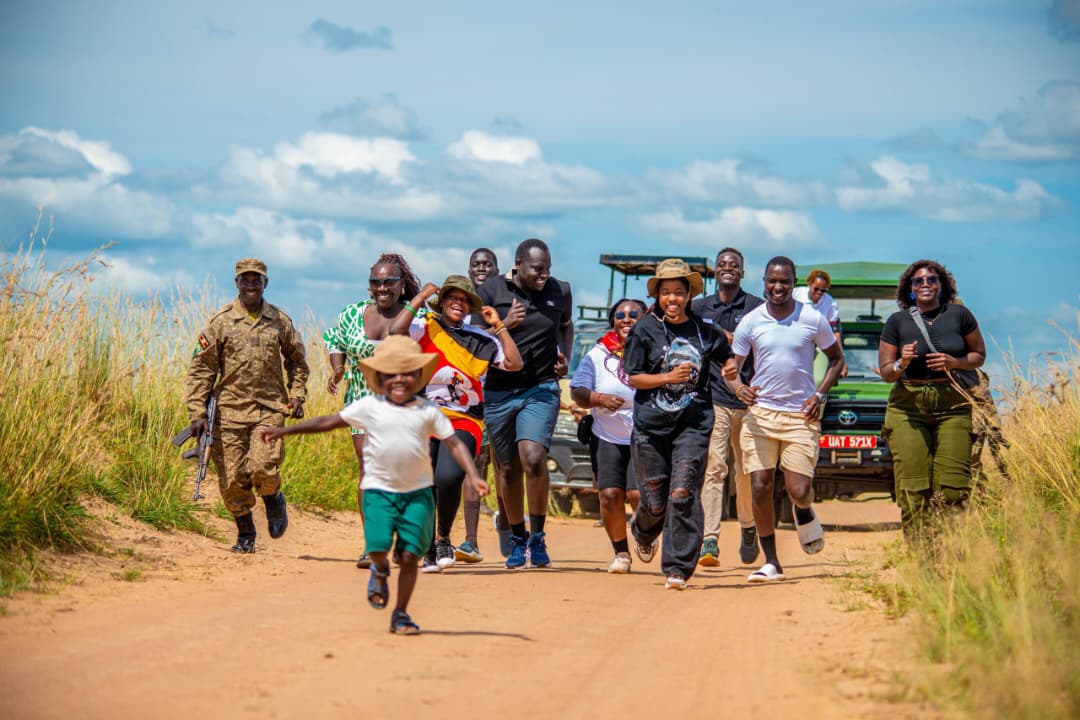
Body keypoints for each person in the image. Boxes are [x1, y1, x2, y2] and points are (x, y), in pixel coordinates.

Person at [261, 336, 488, 635]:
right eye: (391, 373)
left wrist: (472, 474)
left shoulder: (427, 410)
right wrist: (284, 431)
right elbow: (328, 422)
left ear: (419, 377)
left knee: (409, 556)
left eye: (407, 372)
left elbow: (454, 444)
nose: (399, 379)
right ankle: (379, 570)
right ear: (380, 377)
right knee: (378, 548)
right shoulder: (370, 406)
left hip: (417, 496)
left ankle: (401, 613)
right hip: (379, 493)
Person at [390, 275, 522, 572]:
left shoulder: (481, 339)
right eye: (452, 298)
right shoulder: (424, 327)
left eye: (464, 300)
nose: (458, 304)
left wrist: (499, 326)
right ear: (443, 302)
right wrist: (420, 297)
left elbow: (515, 363)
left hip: (464, 420)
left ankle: (443, 537)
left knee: (449, 477)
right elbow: (394, 331)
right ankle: (426, 546)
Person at [727, 256, 844, 583]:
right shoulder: (750, 322)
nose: (778, 288)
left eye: (785, 282)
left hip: (799, 416)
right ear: (763, 282)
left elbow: (836, 360)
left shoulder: (811, 318)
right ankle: (772, 562)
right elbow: (731, 369)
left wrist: (819, 395)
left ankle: (803, 509)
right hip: (760, 416)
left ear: (795, 284)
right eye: (772, 281)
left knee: (798, 489)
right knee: (760, 487)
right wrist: (738, 389)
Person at [184, 258, 309, 554]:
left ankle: (273, 498)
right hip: (228, 413)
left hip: (269, 409)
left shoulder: (280, 321)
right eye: (245, 279)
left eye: (257, 279)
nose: (251, 284)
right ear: (236, 283)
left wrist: (297, 395)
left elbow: (297, 362)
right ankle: (246, 532)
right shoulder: (220, 322)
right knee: (231, 481)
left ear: (265, 283)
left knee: (263, 467)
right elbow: (201, 369)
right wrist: (197, 413)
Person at [624, 259, 732, 590]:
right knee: (655, 503)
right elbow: (633, 377)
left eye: (679, 292)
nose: (672, 299)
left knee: (682, 493)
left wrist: (731, 371)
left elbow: (727, 356)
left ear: (689, 295)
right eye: (666, 293)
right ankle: (642, 530)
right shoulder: (644, 329)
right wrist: (668, 377)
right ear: (658, 295)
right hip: (651, 428)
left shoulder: (705, 331)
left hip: (693, 425)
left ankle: (677, 568)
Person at [476, 238, 572, 569]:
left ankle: (538, 536)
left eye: (547, 268)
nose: (544, 275)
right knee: (507, 467)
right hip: (500, 390)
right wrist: (506, 325)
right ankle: (517, 538)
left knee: (532, 457)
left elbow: (566, 325)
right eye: (537, 269)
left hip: (540, 386)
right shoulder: (491, 291)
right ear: (518, 264)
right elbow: (472, 335)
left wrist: (565, 358)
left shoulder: (560, 290)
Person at [323, 253, 423, 569]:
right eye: (375, 282)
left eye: (388, 282)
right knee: (369, 471)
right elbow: (334, 340)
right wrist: (337, 370)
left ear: (401, 284)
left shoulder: (416, 319)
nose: (381, 288)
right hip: (361, 399)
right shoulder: (352, 313)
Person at [877, 260, 985, 533]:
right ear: (910, 289)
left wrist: (954, 361)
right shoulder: (897, 321)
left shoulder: (960, 315)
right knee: (914, 487)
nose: (925, 284)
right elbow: (888, 373)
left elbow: (979, 355)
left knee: (953, 487)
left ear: (941, 284)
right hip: (908, 408)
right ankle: (921, 559)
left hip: (952, 404)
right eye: (918, 281)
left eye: (931, 279)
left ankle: (948, 550)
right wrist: (902, 361)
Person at [692, 247, 764, 567]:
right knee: (714, 467)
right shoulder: (699, 307)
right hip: (714, 399)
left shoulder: (756, 308)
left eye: (734, 265)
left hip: (750, 402)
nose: (728, 268)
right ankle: (710, 538)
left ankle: (748, 526)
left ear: (742, 272)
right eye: (722, 264)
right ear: (715, 271)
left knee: (745, 471)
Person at [570, 298, 647, 573]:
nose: (626, 319)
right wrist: (598, 398)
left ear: (646, 318)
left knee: (638, 495)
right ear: (613, 321)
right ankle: (621, 553)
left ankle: (645, 535)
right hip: (607, 435)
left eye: (634, 314)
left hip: (645, 436)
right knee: (611, 495)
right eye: (620, 315)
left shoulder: (655, 351)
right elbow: (577, 391)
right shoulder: (597, 354)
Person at [466, 247, 508, 561]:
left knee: (500, 460)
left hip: (498, 391)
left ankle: (506, 521)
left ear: (496, 269)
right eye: (476, 264)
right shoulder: (460, 305)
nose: (481, 268)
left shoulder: (501, 305)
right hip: (464, 395)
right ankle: (469, 537)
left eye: (487, 264)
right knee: (474, 458)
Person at [793, 269, 847, 377]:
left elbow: (835, 333)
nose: (819, 293)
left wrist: (842, 360)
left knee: (818, 378)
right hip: (795, 343)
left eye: (823, 291)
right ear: (809, 284)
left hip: (817, 344)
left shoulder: (830, 303)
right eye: (816, 289)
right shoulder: (796, 294)